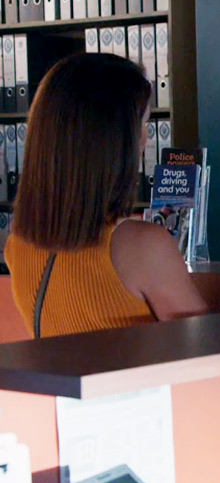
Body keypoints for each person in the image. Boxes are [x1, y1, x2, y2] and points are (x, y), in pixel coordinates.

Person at [5, 52, 209, 338]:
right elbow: (210, 347)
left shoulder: (18, 245)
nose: (146, 139)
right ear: (114, 142)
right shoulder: (142, 246)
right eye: (142, 125)